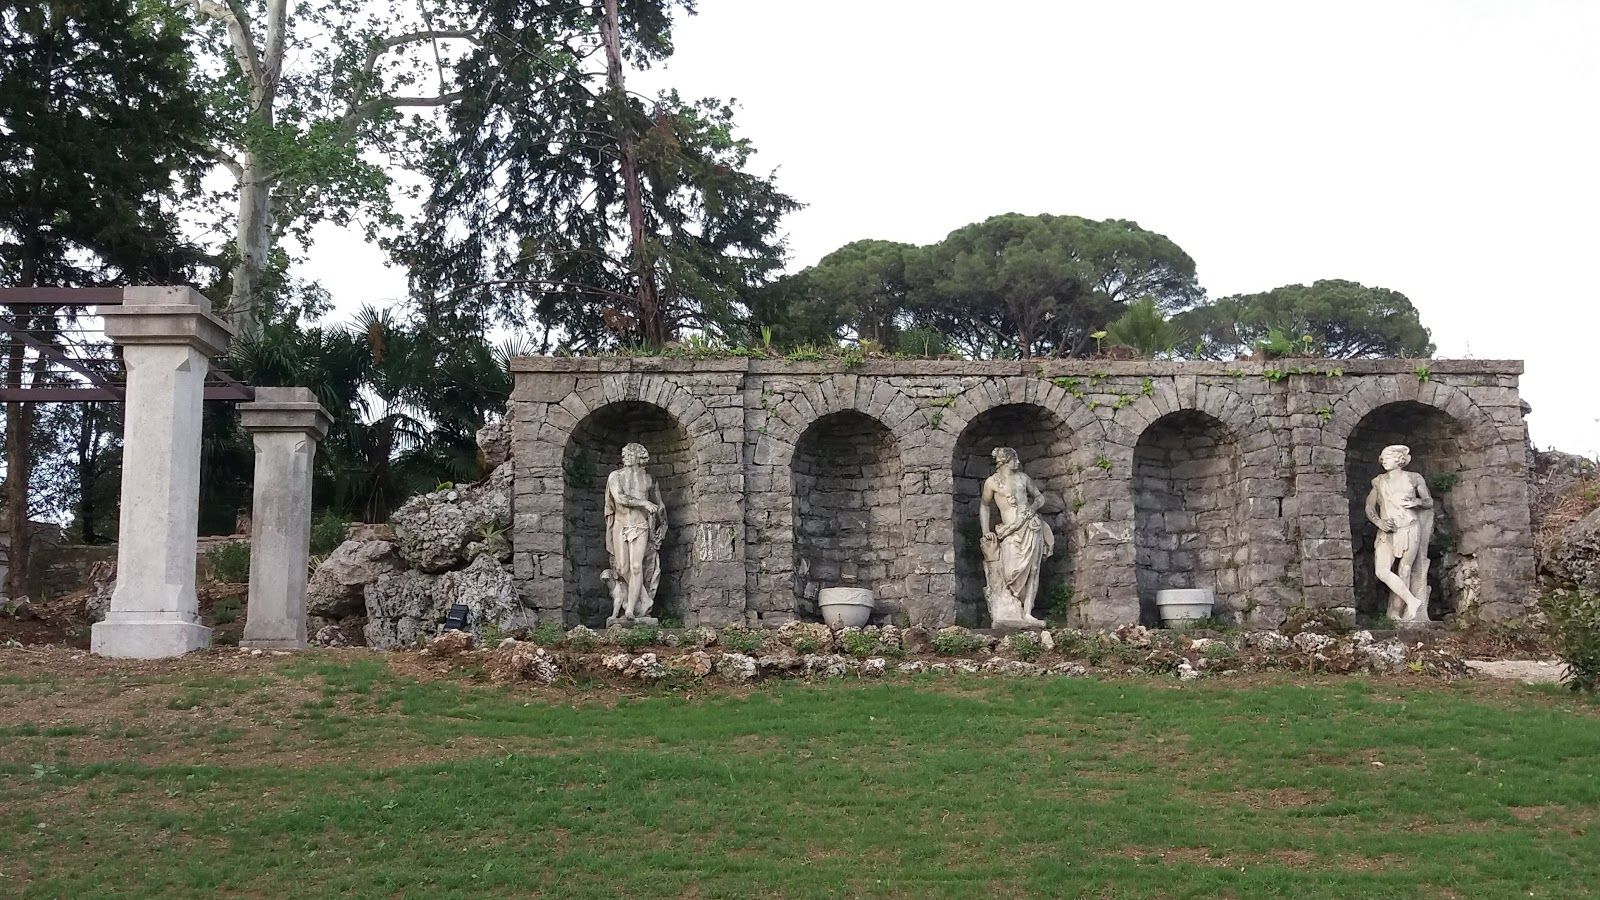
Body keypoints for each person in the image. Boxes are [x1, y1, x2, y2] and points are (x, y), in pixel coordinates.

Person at [979, 447, 1054, 628]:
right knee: (1010, 572)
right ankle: (1011, 609)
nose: (1018, 462)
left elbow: (1040, 498)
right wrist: (985, 530)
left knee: (1033, 570)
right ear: (1005, 461)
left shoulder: (1023, 478)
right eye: (1015, 459)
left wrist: (1032, 509)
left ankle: (1027, 613)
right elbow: (984, 506)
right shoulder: (992, 482)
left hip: (1030, 526)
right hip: (1010, 531)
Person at [1364, 444, 1435, 622]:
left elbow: (1428, 501)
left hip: (1409, 527)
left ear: (1399, 459)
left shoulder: (1414, 478)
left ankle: (1396, 614)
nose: (1383, 461)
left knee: (1405, 569)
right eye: (1382, 458)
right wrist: (1379, 522)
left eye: (1387, 457)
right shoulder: (1378, 481)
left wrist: (1417, 502)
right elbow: (1369, 507)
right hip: (1387, 530)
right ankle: (1412, 601)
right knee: (1382, 571)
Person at [604, 443, 666, 624]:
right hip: (620, 524)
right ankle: (644, 600)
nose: (626, 457)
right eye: (624, 454)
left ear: (640, 457)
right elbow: (619, 498)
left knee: (637, 567)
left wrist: (662, 526)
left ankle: (630, 610)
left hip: (640, 525)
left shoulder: (649, 479)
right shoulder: (615, 476)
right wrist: (644, 503)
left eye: (630, 454)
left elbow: (659, 506)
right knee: (622, 568)